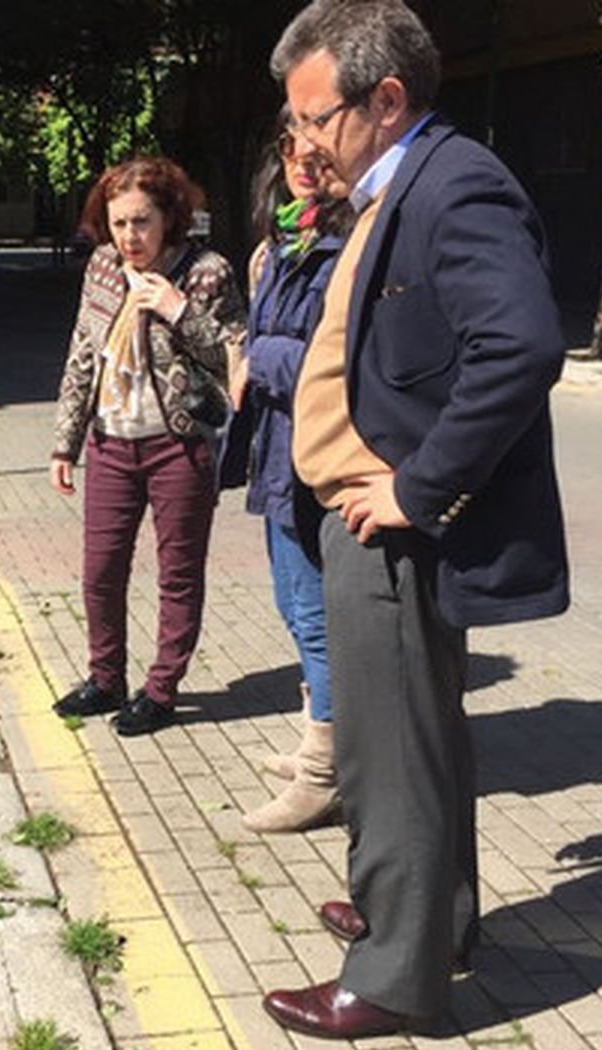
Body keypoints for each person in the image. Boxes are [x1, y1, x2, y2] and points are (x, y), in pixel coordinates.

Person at [260, 0, 569, 1039]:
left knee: (385, 752)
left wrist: (416, 486)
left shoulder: (454, 183)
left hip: (389, 525)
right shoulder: (399, 184)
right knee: (413, 740)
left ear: (384, 101)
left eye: (314, 119)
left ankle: (393, 974)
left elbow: (519, 346)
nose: (301, 142)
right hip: (370, 517)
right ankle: (423, 917)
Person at [49, 157, 245, 737]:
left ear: (169, 218)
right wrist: (66, 443)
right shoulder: (103, 269)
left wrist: (176, 310)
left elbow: (234, 357)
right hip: (112, 443)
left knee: (178, 575)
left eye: (141, 222)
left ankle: (161, 690)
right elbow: (83, 356)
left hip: (178, 447)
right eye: (118, 224)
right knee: (100, 571)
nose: (129, 237)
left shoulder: (206, 272)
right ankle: (105, 678)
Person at [231, 115, 355, 835]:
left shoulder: (344, 246)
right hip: (278, 447)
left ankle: (325, 773)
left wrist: (258, 361)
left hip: (317, 453)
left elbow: (327, 359)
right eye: (288, 147)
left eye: (315, 146)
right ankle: (319, 736)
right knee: (290, 603)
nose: (301, 160)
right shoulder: (287, 241)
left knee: (315, 615)